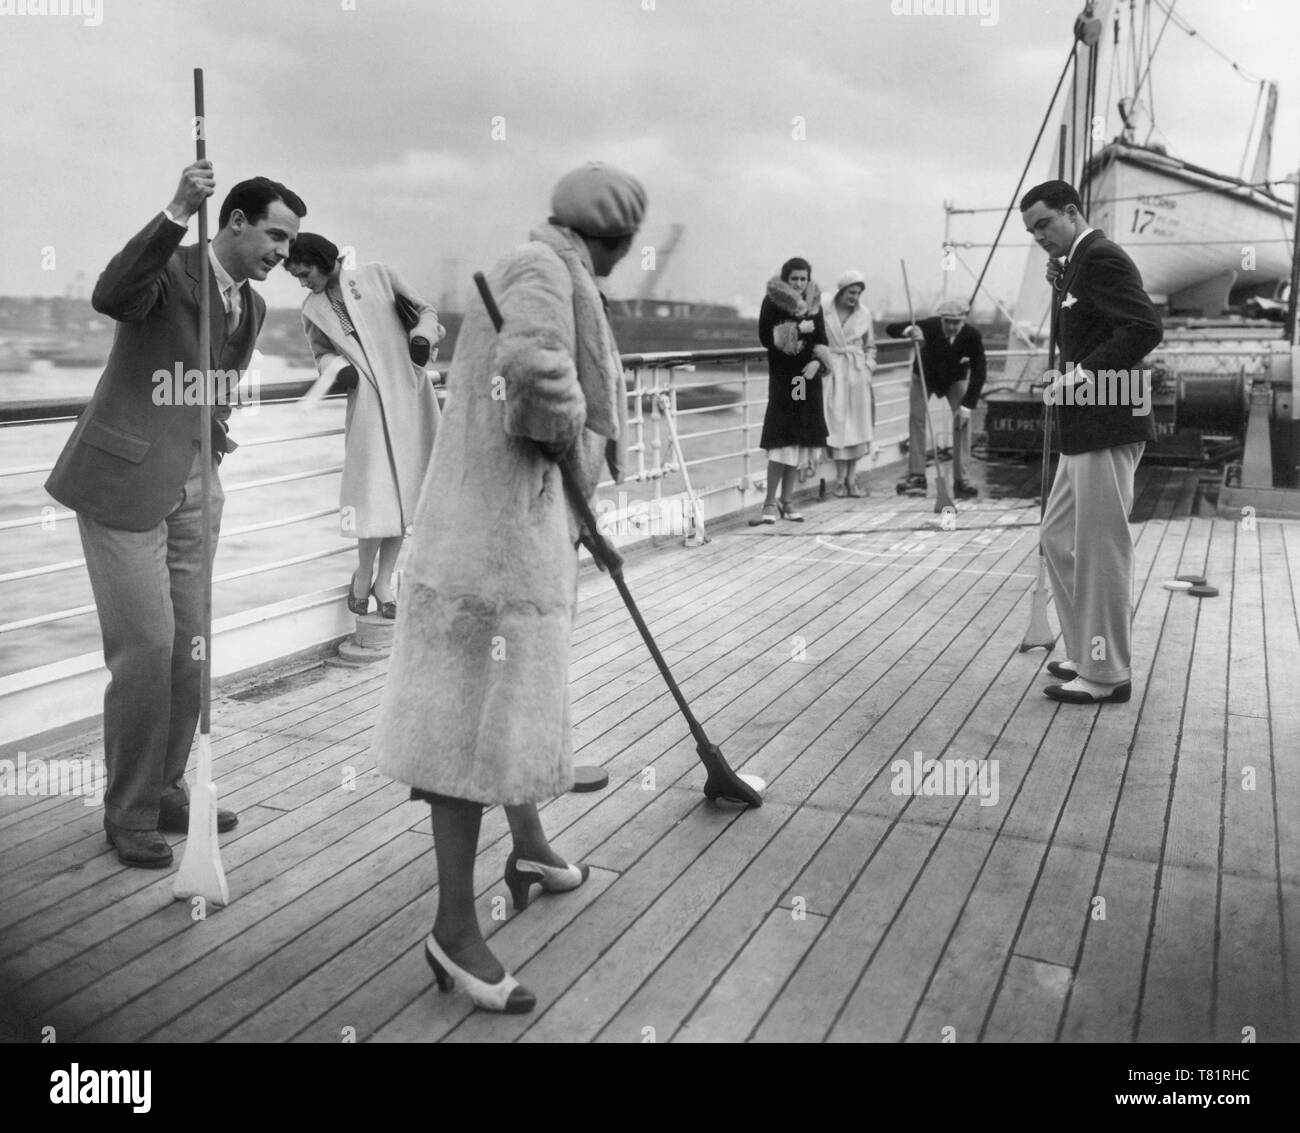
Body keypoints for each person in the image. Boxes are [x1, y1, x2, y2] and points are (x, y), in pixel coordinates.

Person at [370, 162, 645, 1013]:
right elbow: (533, 374)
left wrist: (576, 497)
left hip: (512, 532)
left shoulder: (550, 264)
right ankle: (454, 931)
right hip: (487, 551)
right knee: (467, 728)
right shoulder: (540, 269)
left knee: (509, 705)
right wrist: (578, 445)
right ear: (616, 238)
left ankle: (527, 846)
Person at [45, 163, 306, 867]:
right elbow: (112, 293)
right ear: (234, 221)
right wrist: (173, 209)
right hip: (124, 483)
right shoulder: (169, 268)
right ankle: (127, 810)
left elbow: (219, 389)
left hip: (196, 485)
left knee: (192, 649)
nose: (281, 254)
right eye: (274, 236)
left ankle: (165, 786)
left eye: (289, 243)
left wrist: (211, 456)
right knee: (148, 649)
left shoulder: (251, 307)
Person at [1020, 178, 1162, 704]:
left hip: (1109, 420)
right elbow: (1097, 329)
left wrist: (1079, 377)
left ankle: (1107, 673)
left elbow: (1144, 327)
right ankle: (1085, 649)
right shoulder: (1076, 265)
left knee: (1102, 549)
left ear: (1073, 212)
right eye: (1032, 230)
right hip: (1084, 426)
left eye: (1044, 224)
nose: (1038, 235)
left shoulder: (1102, 257)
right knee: (1057, 538)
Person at [285, 234, 443, 619]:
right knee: (373, 494)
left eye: (305, 273)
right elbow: (321, 353)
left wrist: (421, 336)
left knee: (407, 493)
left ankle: (385, 579)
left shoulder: (379, 275)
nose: (303, 283)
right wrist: (338, 372)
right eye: (297, 278)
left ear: (323, 260)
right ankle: (363, 573)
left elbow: (427, 311)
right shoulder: (312, 308)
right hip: (368, 402)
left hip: (410, 393)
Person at [753, 258, 835, 524]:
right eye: (794, 279)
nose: (799, 283)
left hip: (804, 380)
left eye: (803, 278)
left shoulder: (814, 303)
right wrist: (796, 329)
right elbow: (766, 338)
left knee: (797, 438)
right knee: (780, 440)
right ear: (786, 279)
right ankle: (768, 503)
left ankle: (787, 501)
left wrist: (816, 362)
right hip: (784, 378)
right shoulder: (773, 301)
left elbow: (822, 339)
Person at [887, 298, 985, 499]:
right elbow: (891, 328)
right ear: (940, 320)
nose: (950, 326)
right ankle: (917, 477)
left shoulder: (972, 336)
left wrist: (967, 406)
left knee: (962, 422)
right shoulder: (929, 325)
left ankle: (962, 480)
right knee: (917, 418)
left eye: (955, 322)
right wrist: (909, 331)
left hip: (954, 379)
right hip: (924, 377)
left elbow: (979, 372)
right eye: (947, 321)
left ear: (963, 320)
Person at [821, 270, 878, 496]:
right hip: (833, 370)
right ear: (841, 291)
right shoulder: (825, 311)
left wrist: (868, 367)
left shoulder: (864, 314)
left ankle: (852, 479)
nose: (854, 297)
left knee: (858, 424)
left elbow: (870, 345)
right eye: (851, 292)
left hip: (856, 373)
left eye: (858, 293)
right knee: (836, 423)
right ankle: (840, 479)